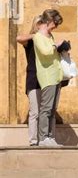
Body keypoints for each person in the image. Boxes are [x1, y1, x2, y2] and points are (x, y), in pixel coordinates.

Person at [32, 9, 64, 147]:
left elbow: (53, 53)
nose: (56, 26)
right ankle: (43, 137)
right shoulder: (38, 37)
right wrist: (56, 45)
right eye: (55, 23)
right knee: (45, 108)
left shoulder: (50, 37)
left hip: (56, 76)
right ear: (49, 21)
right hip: (47, 76)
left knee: (52, 109)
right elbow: (45, 52)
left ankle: (50, 137)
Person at [16, 15, 42, 146]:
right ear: (35, 25)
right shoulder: (30, 40)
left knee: (46, 111)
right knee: (35, 111)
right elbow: (18, 38)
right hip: (33, 79)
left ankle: (44, 139)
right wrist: (36, 35)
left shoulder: (47, 40)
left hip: (46, 80)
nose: (41, 25)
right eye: (39, 23)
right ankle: (33, 141)